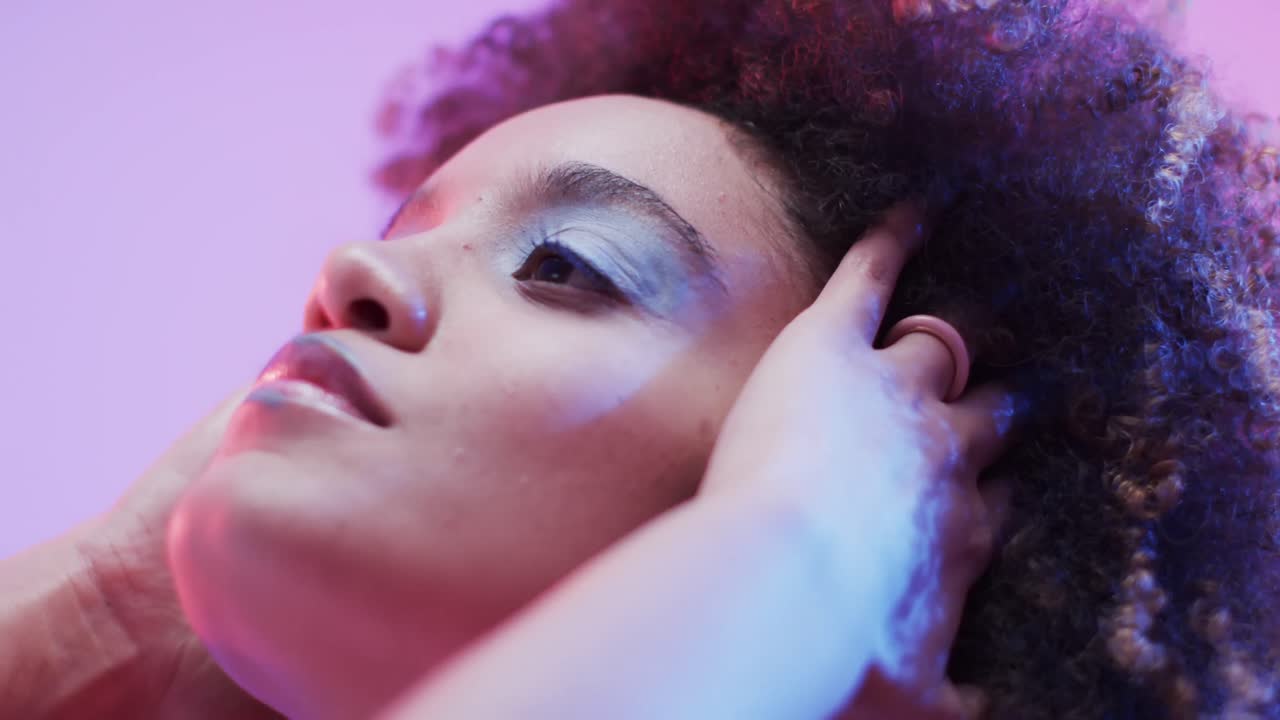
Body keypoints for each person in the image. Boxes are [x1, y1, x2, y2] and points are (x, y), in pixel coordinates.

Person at [2, 0, 1277, 717]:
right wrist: (111, 608)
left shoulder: (819, 535)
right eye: (409, 231)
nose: (349, 274)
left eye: (565, 265)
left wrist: (811, 542)